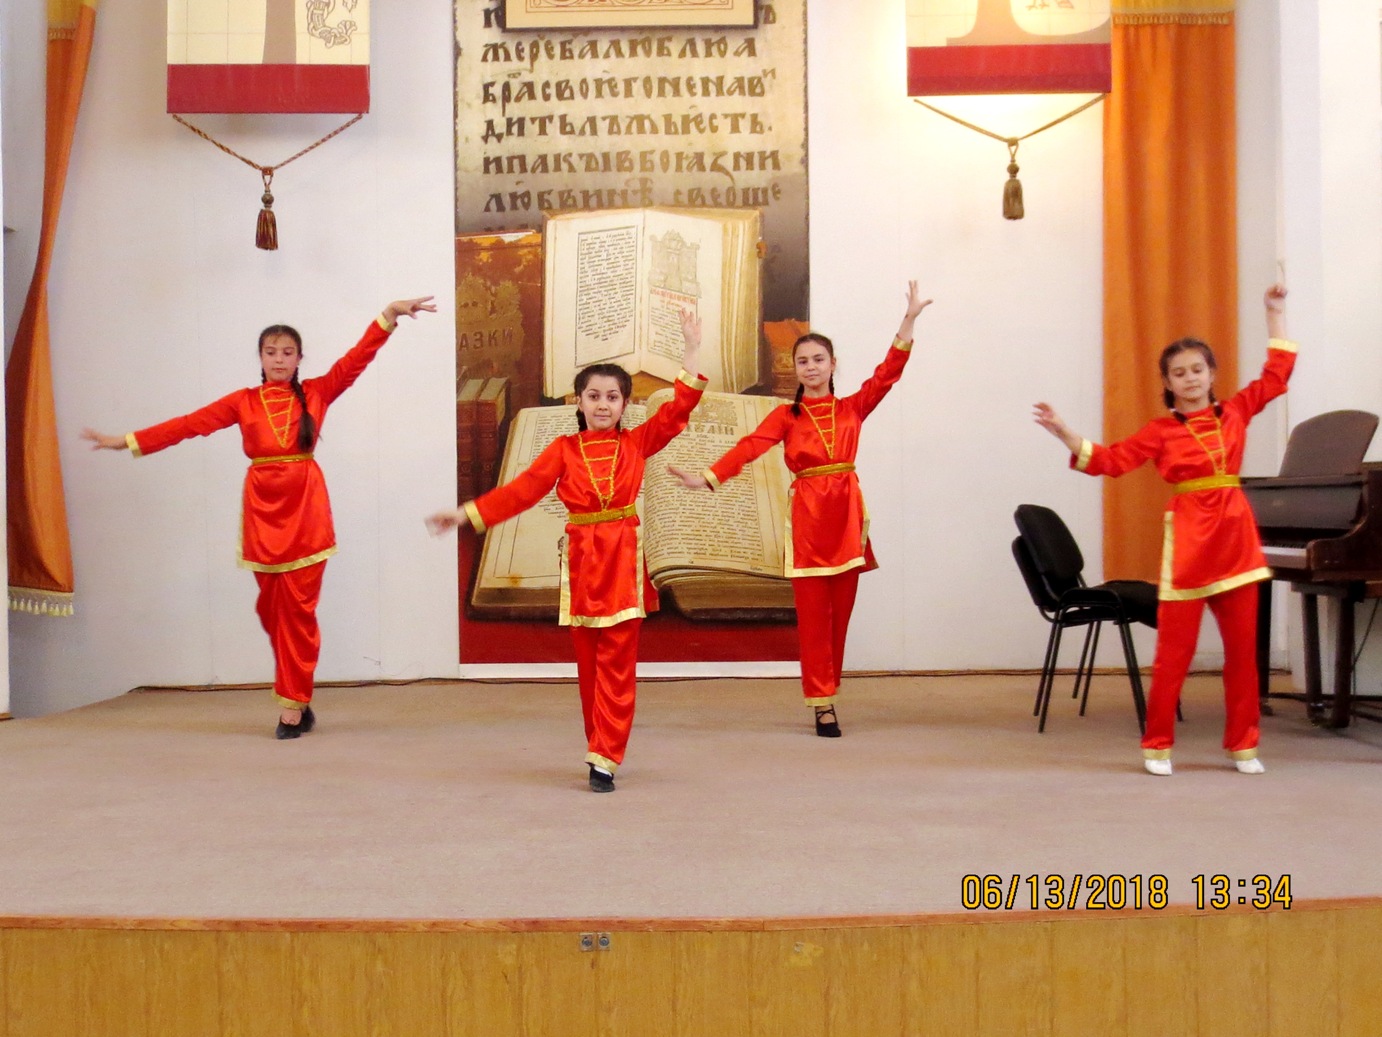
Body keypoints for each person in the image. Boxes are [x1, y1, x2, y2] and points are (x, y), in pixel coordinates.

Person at [82, 296, 437, 739]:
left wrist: (388, 316)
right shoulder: (243, 402)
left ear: (300, 358)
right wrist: (127, 441)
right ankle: (299, 695)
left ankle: (291, 707)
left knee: (299, 612)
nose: (279, 359)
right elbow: (189, 423)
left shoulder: (319, 392)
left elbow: (356, 359)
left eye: (288, 352)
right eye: (271, 352)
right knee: (271, 612)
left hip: (306, 511)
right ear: (260, 357)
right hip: (262, 513)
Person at [426, 312, 706, 793]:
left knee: (618, 666)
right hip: (582, 565)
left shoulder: (638, 442)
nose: (603, 404)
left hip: (623, 561)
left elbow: (679, 409)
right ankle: (598, 745)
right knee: (590, 668)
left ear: (626, 404)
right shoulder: (564, 449)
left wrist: (691, 348)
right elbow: (520, 491)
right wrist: (465, 514)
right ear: (578, 401)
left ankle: (606, 757)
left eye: (612, 397)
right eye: (593, 396)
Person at [1032, 284, 1294, 776]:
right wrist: (1064, 431)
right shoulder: (1160, 432)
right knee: (1174, 656)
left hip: (1237, 545)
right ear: (1167, 383)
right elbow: (1110, 461)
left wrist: (1274, 312)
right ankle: (1157, 744)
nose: (1190, 378)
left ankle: (1244, 745)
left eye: (1197, 369)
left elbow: (1276, 375)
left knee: (1243, 656)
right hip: (1190, 546)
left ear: (1212, 374)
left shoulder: (1237, 411)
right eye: (1179, 372)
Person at [668, 282, 932, 737]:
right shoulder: (786, 417)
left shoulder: (852, 408)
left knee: (838, 620)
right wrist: (707, 477)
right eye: (803, 361)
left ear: (832, 364)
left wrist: (908, 319)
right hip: (808, 524)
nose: (810, 367)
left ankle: (829, 691)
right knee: (812, 621)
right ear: (795, 369)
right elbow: (749, 447)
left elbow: (888, 373)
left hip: (847, 523)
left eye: (818, 359)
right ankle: (822, 704)